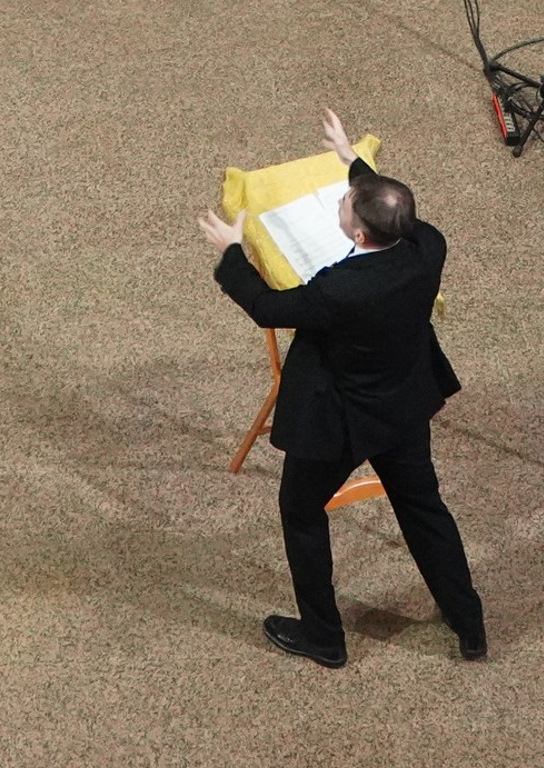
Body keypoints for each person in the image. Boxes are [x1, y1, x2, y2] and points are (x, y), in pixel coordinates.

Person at [200, 108, 486, 668]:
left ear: (358, 234)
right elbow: (388, 206)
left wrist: (232, 252)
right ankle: (468, 621)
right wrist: (350, 157)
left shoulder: (340, 291)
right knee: (423, 508)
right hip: (402, 406)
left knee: (300, 509)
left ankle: (324, 637)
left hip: (340, 419)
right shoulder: (429, 246)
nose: (342, 198)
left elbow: (267, 307)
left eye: (347, 200)